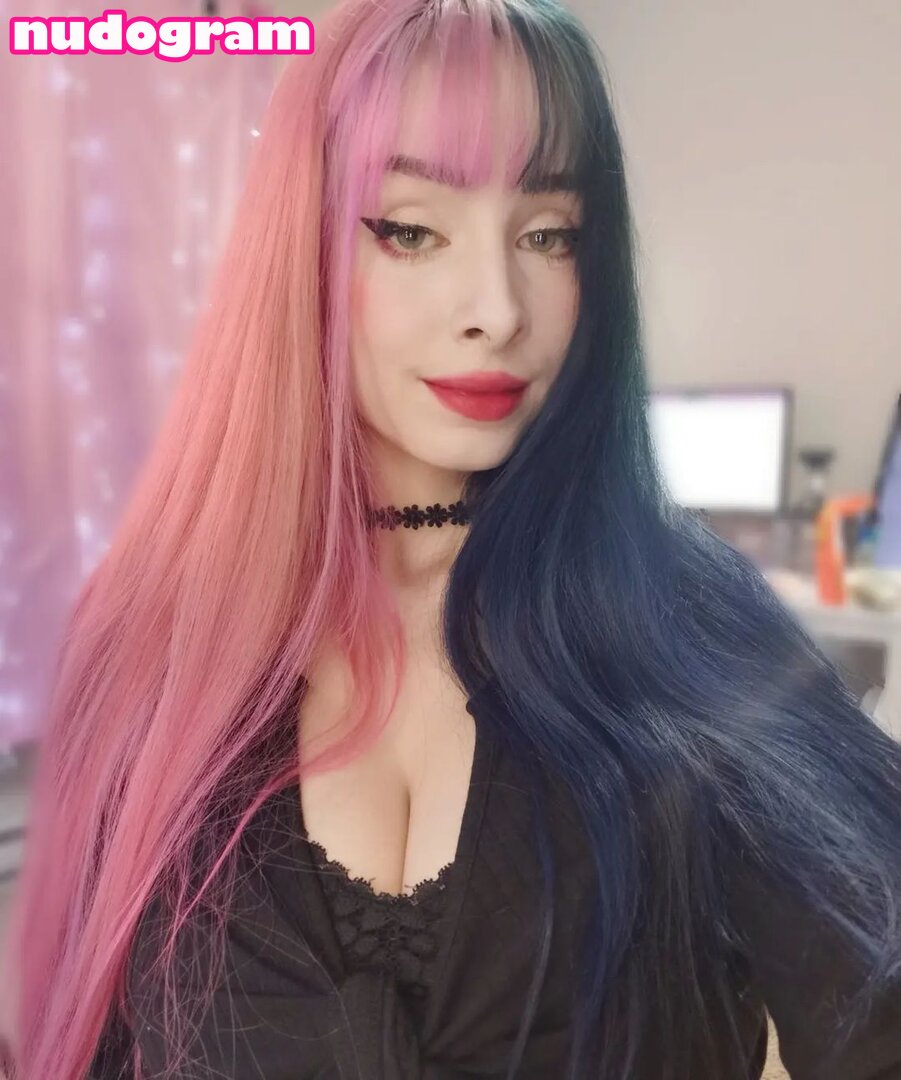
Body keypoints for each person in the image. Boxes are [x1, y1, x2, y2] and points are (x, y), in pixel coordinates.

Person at [3, 0, 901, 1076]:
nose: (496, 309)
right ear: (302, 247)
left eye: (547, 234)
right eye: (411, 229)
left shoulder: (683, 616)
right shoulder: (149, 633)